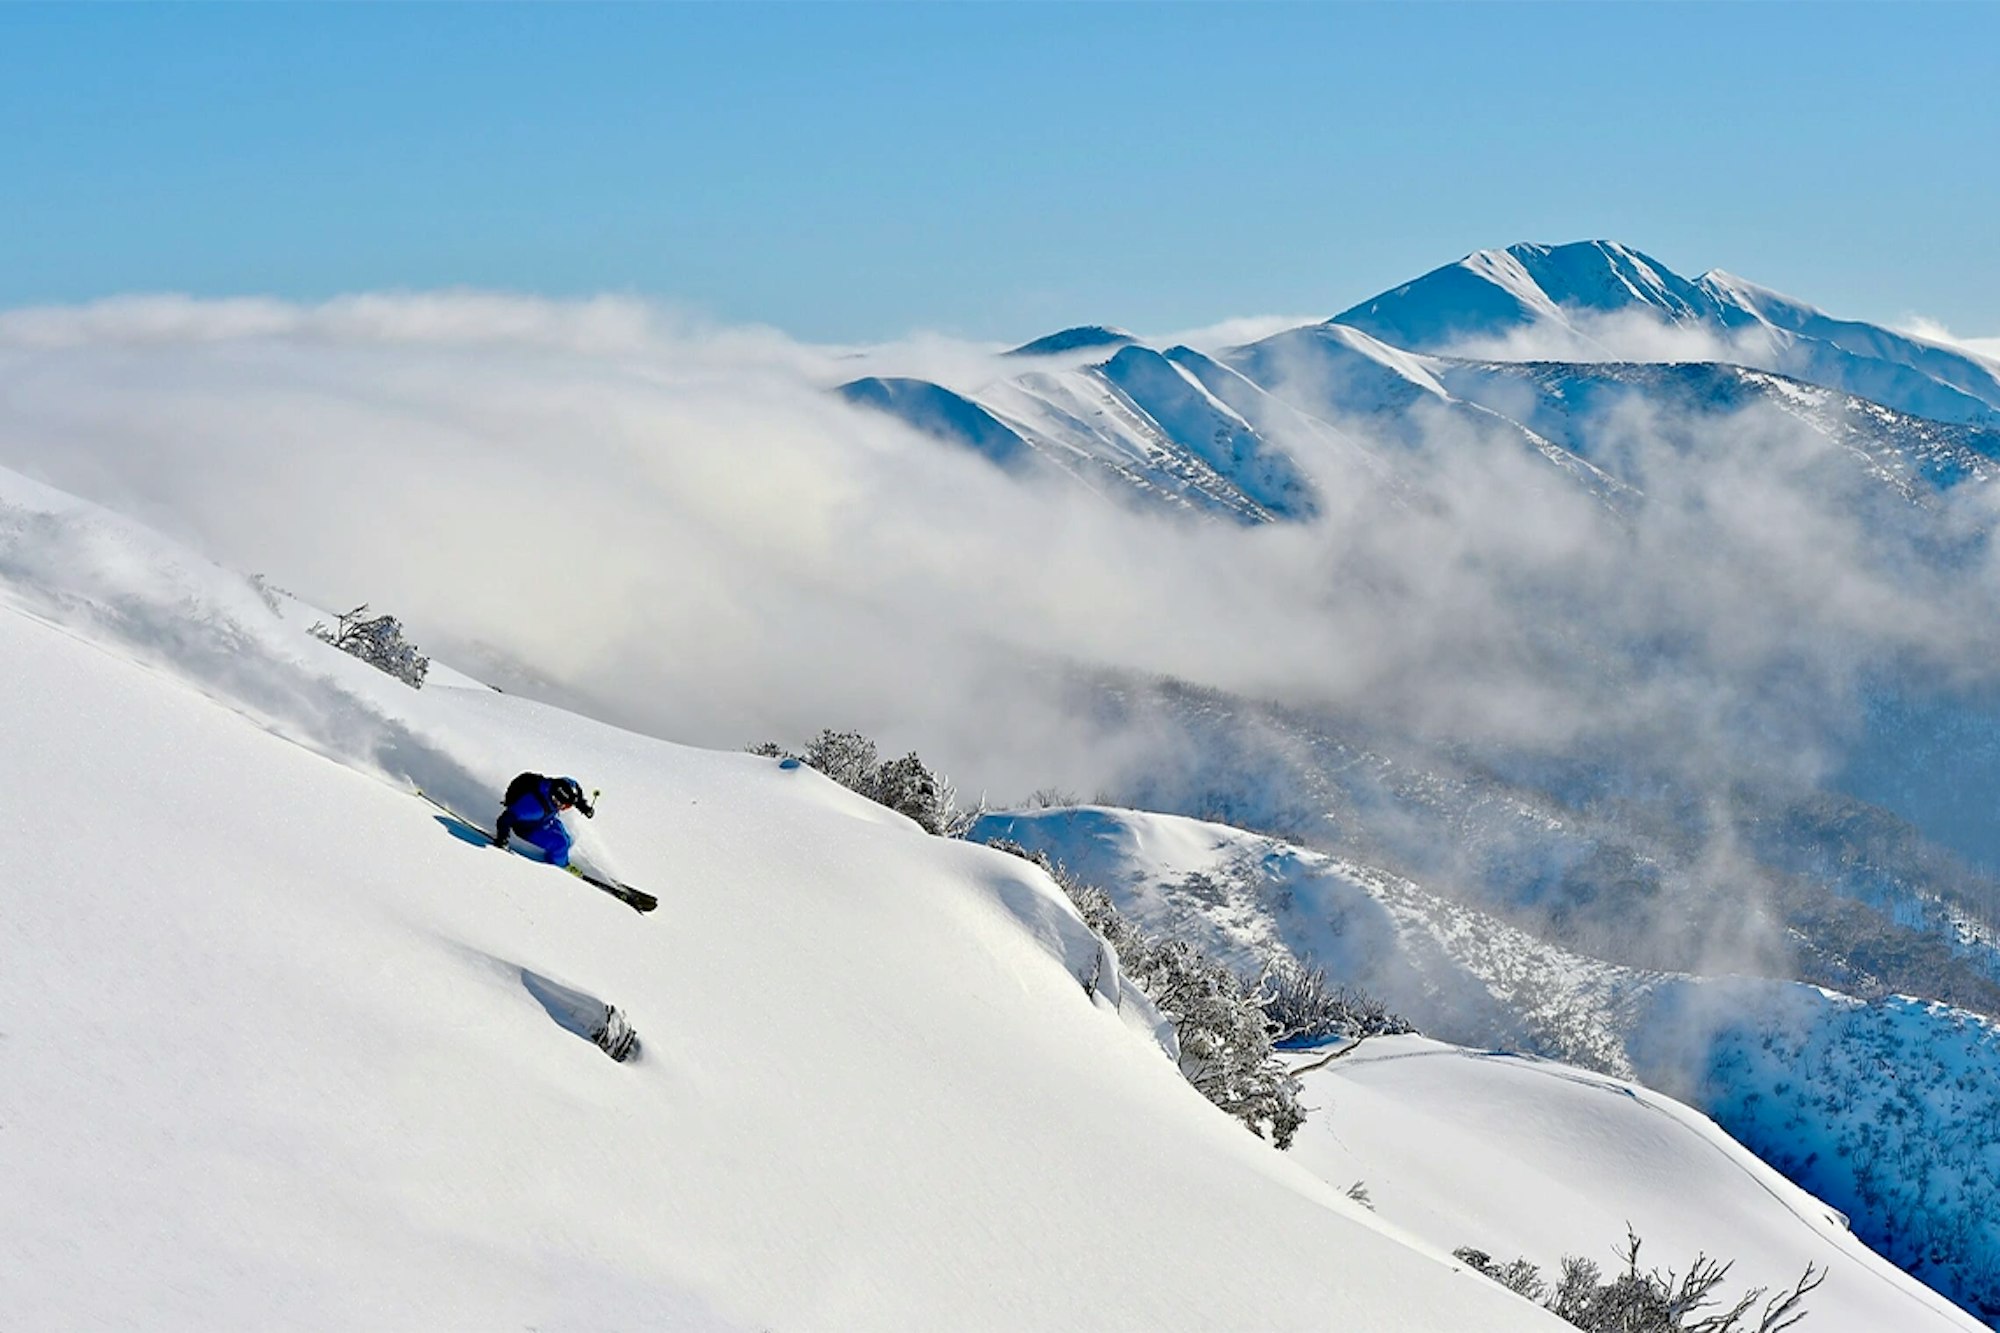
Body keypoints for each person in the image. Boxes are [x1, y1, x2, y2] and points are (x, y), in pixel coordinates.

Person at [495, 773, 595, 868]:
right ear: (556, 799)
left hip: (545, 819)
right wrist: (502, 839)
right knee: (560, 843)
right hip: (528, 828)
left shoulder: (559, 786)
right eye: (565, 806)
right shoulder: (533, 808)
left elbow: (575, 788)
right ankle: (559, 866)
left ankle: (561, 858)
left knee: (567, 838)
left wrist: (583, 807)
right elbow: (505, 818)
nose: (566, 808)